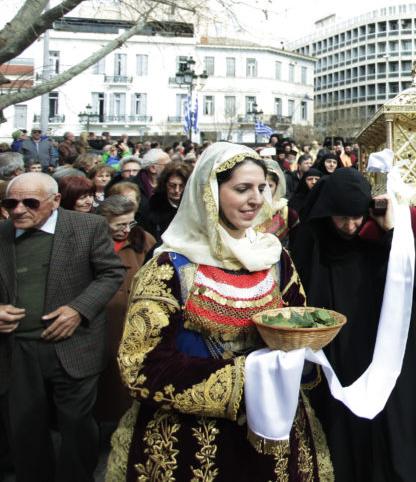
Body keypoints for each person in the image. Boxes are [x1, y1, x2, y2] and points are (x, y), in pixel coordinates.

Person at [106, 142, 331, 479]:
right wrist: (247, 379)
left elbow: (297, 324)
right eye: (242, 189)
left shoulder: (274, 257)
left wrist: (302, 356)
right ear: (210, 192)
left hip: (274, 424)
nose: (256, 199)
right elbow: (141, 364)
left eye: (261, 187)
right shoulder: (169, 266)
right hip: (188, 438)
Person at [290, 168, 416, 481]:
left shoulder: (382, 237)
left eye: (356, 217)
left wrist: (392, 234)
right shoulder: (314, 243)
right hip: (341, 363)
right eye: (340, 218)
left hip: (397, 360)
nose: (350, 227)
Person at [0, 172, 125, 481]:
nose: (18, 210)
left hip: (74, 345)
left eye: (29, 203)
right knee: (25, 429)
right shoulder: (2, 233)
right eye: (10, 203)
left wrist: (78, 310)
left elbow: (110, 274)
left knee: (76, 426)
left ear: (55, 201)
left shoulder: (87, 227)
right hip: (17, 349)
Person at [93, 195, 154, 424]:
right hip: (103, 323)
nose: (126, 230)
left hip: (134, 320)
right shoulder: (91, 241)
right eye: (119, 225)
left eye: (130, 223)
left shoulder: (144, 239)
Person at [255, 159, 298, 245]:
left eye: (269, 186)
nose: (265, 190)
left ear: (277, 186)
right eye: (260, 186)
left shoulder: (286, 211)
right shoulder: (247, 208)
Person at [147, 160, 191, 240]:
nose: (177, 190)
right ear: (165, 184)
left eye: (181, 186)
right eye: (172, 185)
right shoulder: (154, 205)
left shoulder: (193, 206)